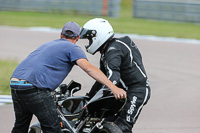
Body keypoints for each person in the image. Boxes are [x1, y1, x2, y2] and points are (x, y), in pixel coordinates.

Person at [10, 21, 127, 133]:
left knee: (20, 127)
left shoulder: (48, 44)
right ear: (77, 38)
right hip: (34, 88)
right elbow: (89, 68)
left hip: (15, 84)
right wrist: (113, 87)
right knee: (53, 128)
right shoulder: (72, 48)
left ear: (61, 34)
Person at [80, 18, 151, 133]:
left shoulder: (113, 50)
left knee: (122, 127)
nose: (89, 43)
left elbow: (113, 77)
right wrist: (89, 98)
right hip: (122, 92)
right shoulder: (108, 50)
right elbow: (102, 79)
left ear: (98, 35)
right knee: (103, 123)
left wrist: (95, 100)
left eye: (89, 39)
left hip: (137, 91)